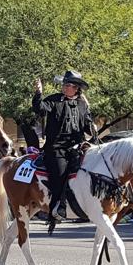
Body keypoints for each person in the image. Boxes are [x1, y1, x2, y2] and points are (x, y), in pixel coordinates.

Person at [31, 70, 97, 221]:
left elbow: (87, 125)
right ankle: (57, 206)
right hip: (56, 148)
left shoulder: (82, 104)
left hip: (77, 147)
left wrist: (93, 128)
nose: (65, 87)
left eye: (69, 85)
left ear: (76, 88)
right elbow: (39, 108)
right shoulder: (53, 100)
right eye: (64, 84)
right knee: (61, 173)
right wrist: (38, 92)